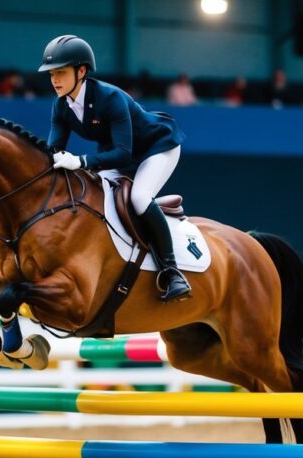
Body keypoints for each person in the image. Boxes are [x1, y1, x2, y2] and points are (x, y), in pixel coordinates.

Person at [38, 35, 190, 302]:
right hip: (120, 154)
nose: (54, 80)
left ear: (81, 71)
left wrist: (82, 162)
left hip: (156, 148)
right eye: (51, 74)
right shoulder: (60, 105)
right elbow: (53, 151)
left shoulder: (110, 98)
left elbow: (122, 154)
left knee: (140, 198)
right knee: (93, 194)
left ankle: (171, 271)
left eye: (61, 72)